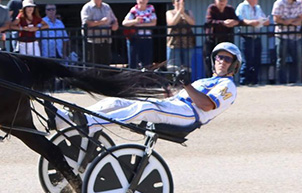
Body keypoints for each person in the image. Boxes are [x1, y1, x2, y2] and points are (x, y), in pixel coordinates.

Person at [62, 43, 241, 137]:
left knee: (145, 109)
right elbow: (188, 93)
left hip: (189, 115)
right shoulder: (207, 79)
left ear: (234, 65)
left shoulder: (228, 86)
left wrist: (186, 84)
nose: (222, 61)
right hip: (174, 105)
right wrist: (177, 83)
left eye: (227, 59)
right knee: (115, 101)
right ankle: (66, 119)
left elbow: (207, 105)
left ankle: (91, 124)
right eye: (219, 57)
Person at [236, 0, 269, 85]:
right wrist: (251, 23)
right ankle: (244, 81)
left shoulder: (258, 7)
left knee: (256, 59)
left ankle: (254, 80)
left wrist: (265, 21)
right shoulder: (242, 6)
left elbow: (263, 18)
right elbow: (240, 19)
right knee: (247, 59)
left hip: (257, 35)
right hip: (246, 36)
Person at [272, 0, 302, 85]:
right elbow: (276, 18)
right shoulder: (279, 3)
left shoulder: (298, 3)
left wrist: (287, 21)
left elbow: (300, 19)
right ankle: (282, 81)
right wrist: (291, 21)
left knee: (297, 59)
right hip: (282, 35)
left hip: (295, 35)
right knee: (282, 60)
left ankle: (294, 81)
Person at [204, 0, 239, 78]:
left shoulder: (230, 9)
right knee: (210, 60)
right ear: (215, 1)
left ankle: (227, 77)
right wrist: (223, 23)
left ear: (226, 1)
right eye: (220, 1)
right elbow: (208, 21)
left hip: (226, 40)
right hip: (212, 39)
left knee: (227, 60)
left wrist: (234, 22)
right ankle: (210, 78)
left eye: (224, 0)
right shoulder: (212, 8)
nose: (222, 3)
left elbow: (237, 20)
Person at [81, 0, 118, 66]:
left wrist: (115, 24)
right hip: (92, 41)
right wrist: (100, 22)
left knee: (105, 65)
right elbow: (86, 23)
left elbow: (114, 19)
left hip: (105, 40)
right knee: (92, 65)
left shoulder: (107, 7)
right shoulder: (87, 8)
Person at [122, 0, 157, 69]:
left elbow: (154, 22)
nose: (141, 1)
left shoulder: (151, 8)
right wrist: (135, 21)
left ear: (147, 0)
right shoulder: (134, 10)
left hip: (147, 38)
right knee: (133, 61)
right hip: (135, 38)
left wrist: (140, 25)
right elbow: (124, 23)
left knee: (147, 62)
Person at [166, 0, 196, 73]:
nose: (180, 2)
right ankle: (173, 84)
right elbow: (172, 23)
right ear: (173, 3)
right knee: (174, 67)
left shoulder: (188, 12)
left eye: (182, 1)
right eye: (177, 1)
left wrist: (184, 13)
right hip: (174, 44)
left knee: (187, 67)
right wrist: (179, 11)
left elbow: (192, 23)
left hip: (187, 43)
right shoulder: (170, 12)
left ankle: (186, 83)